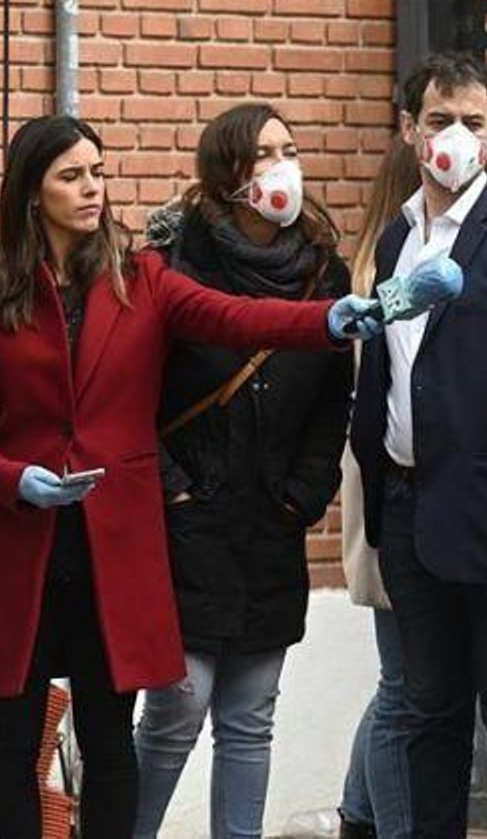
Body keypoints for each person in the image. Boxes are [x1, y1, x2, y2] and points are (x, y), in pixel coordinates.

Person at [0, 115, 378, 839]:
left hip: (116, 538)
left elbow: (239, 318)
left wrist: (330, 320)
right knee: (14, 734)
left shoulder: (145, 278)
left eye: (98, 172)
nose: (93, 189)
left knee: (111, 734)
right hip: (21, 541)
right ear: (30, 192)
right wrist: (12, 479)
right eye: (72, 175)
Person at [349, 51, 487, 839]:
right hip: (412, 512)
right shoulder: (395, 239)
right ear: (410, 130)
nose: (456, 137)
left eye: (472, 123)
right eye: (440, 120)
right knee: (426, 715)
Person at [128, 103, 355, 839]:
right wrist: (174, 487)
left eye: (289, 148)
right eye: (264, 154)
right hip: (189, 515)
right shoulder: (171, 264)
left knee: (250, 714)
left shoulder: (323, 267)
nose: (283, 165)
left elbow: (333, 395)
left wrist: (305, 493)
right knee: (177, 707)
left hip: (271, 515)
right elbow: (128, 393)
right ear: (228, 172)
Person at [336, 135, 421, 839]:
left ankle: (359, 815)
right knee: (404, 686)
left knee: (403, 683)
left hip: (392, 495)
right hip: (391, 495)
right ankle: (380, 823)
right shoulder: (379, 284)